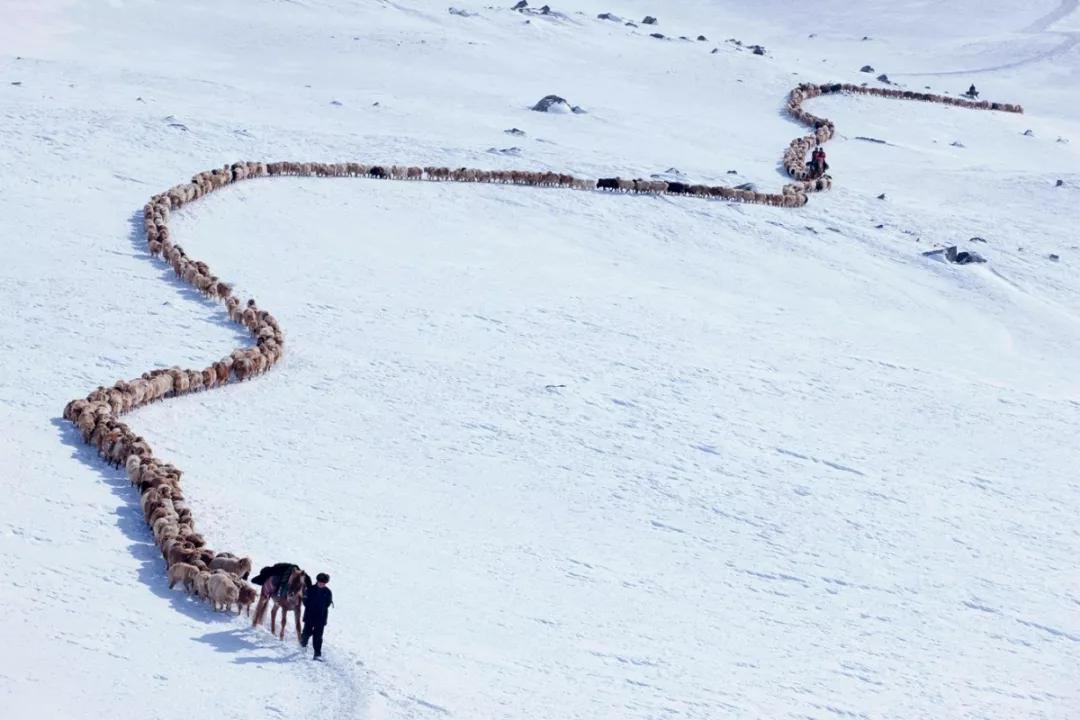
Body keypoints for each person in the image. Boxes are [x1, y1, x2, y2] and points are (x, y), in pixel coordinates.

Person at [301, 572, 334, 660]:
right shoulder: (310, 589)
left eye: (323, 583)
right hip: (309, 616)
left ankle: (317, 654)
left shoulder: (328, 592)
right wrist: (310, 606)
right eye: (320, 582)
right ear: (317, 581)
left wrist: (320, 608)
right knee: (306, 633)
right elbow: (304, 601)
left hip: (321, 618)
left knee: (318, 636)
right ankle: (303, 645)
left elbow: (327, 603)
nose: (321, 584)